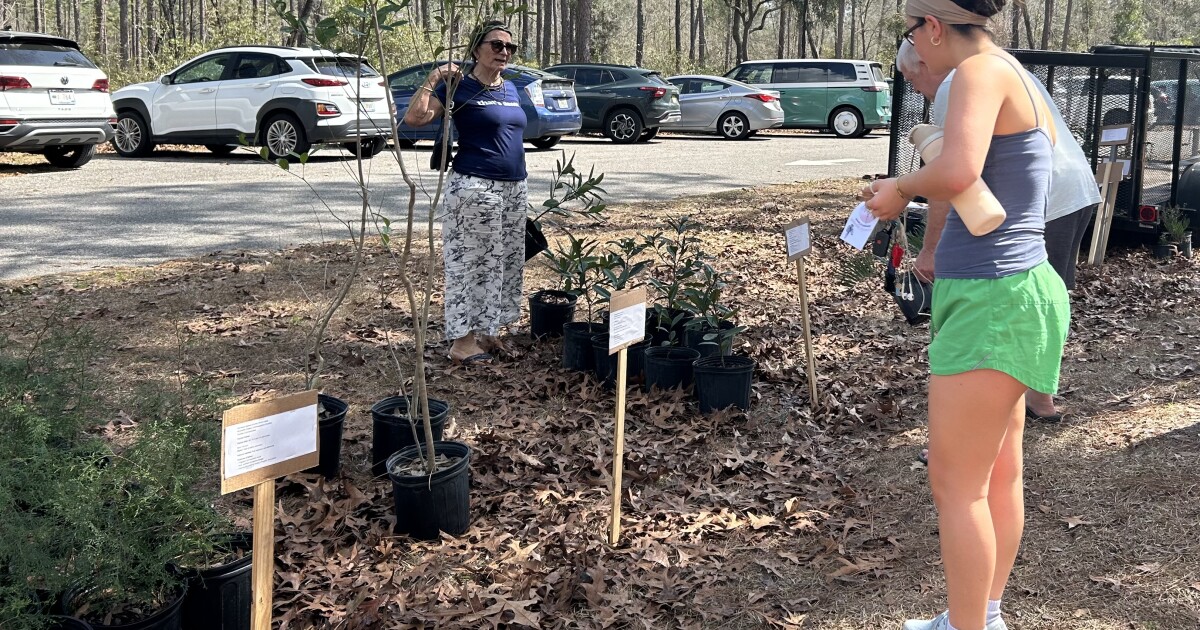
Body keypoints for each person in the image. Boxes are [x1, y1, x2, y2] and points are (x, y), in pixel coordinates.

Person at [862, 0, 1071, 628]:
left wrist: (896, 190)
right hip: (1013, 291)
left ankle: (967, 626)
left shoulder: (978, 73)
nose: (915, 55)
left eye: (911, 34)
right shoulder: (1012, 72)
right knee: (998, 475)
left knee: (957, 488)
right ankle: (980, 615)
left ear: (931, 26)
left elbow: (958, 171)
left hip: (992, 299)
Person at [897, 40, 1101, 425]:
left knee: (1021, 306)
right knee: (1041, 299)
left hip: (1043, 204)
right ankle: (1030, 401)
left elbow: (953, 178)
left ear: (927, 58)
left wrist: (929, 247)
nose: (914, 89)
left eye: (911, 77)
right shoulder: (1003, 67)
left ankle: (1013, 401)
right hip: (1074, 189)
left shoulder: (960, 83)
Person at [403, 21, 528, 365]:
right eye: (497, 45)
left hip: (514, 187)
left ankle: (487, 333)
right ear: (476, 49)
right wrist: (435, 78)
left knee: (503, 264)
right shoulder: (459, 87)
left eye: (510, 47)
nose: (504, 52)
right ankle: (461, 342)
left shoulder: (512, 89)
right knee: (471, 265)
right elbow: (414, 119)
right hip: (474, 187)